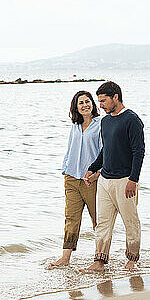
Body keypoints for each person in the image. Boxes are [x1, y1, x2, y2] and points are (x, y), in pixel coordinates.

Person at [84, 81, 145, 271]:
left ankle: (132, 260)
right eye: (99, 101)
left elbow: (138, 152)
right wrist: (93, 168)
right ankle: (99, 261)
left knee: (130, 221)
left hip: (125, 180)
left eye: (103, 101)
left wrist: (133, 180)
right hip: (105, 181)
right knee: (102, 223)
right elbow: (105, 150)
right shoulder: (106, 121)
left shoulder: (132, 120)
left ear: (115, 97)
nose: (100, 106)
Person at [50, 91, 102, 267]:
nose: (85, 105)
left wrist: (98, 173)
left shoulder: (101, 125)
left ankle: (100, 258)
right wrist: (66, 169)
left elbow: (105, 151)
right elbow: (69, 149)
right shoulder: (75, 126)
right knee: (71, 218)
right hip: (72, 178)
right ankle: (65, 258)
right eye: (81, 103)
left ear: (93, 104)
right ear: (76, 107)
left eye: (87, 101)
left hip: (91, 179)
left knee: (98, 219)